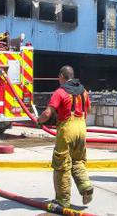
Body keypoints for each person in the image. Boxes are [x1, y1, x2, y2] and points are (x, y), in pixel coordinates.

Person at [37, 65, 93, 208]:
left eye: (59, 77)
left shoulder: (60, 92)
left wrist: (39, 120)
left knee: (62, 166)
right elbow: (89, 109)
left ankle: (63, 201)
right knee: (78, 161)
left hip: (67, 130)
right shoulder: (84, 91)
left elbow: (47, 114)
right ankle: (86, 187)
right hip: (81, 128)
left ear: (62, 76)